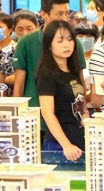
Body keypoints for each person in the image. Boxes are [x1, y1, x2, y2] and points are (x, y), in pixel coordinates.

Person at [13, 0, 85, 108]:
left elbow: (79, 79)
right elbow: (19, 85)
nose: (64, 18)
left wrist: (83, 110)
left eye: (67, 13)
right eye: (59, 14)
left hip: (68, 112)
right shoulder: (26, 42)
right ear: (43, 14)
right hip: (35, 111)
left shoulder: (74, 43)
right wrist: (18, 113)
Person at [36, 20, 87, 161]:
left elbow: (79, 99)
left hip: (79, 139)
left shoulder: (73, 68)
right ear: (49, 45)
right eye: (60, 41)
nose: (66, 45)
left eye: (70, 39)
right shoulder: (46, 73)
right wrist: (66, 145)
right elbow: (47, 113)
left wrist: (85, 114)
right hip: (59, 145)